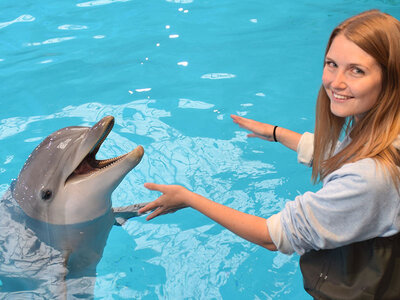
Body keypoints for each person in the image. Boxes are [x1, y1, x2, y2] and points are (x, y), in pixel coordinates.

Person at [139, 9, 400, 299]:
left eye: (357, 70)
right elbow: (350, 157)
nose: (336, 82)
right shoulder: (386, 134)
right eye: (331, 64)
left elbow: (271, 236)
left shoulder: (370, 179)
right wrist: (276, 133)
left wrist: (188, 198)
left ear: (390, 79)